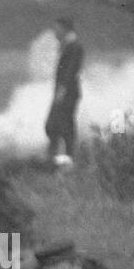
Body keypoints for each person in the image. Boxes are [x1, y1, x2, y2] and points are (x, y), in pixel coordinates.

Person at [45, 16, 83, 167]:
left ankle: (65, 159)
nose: (54, 32)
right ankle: (56, 158)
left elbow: (70, 71)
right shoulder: (67, 45)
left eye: (56, 28)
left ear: (65, 29)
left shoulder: (75, 46)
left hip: (67, 93)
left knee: (63, 126)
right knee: (54, 125)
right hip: (64, 92)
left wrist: (61, 90)